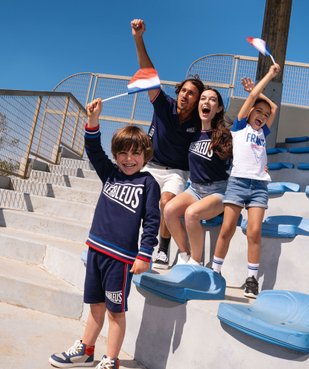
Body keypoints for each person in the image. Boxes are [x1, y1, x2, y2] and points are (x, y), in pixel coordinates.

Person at [49, 98, 160, 369]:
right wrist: (94, 119)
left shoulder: (149, 184)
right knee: (95, 305)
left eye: (135, 153)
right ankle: (86, 350)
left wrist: (144, 254)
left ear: (146, 155)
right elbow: (93, 148)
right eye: (123, 153)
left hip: (120, 261)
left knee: (115, 311)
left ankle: (111, 360)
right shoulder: (110, 174)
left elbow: (152, 222)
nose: (128, 159)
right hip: (96, 251)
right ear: (116, 154)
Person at [131, 18, 205, 269]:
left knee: (166, 203)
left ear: (197, 99)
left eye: (191, 93)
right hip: (151, 165)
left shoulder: (200, 119)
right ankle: (134, 243)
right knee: (136, 201)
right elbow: (149, 74)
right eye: (183, 90)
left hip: (176, 171)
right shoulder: (164, 104)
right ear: (178, 92)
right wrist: (139, 39)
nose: (186, 95)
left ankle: (162, 248)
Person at [211, 63, 281, 299]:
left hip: (259, 186)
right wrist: (269, 76)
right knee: (227, 228)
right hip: (238, 183)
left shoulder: (264, 133)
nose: (262, 115)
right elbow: (252, 98)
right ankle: (215, 272)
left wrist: (262, 97)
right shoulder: (240, 127)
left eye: (265, 115)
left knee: (254, 232)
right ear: (249, 112)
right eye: (257, 111)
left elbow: (274, 106)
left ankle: (251, 279)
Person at [164, 87, 233, 265]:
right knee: (169, 210)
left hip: (218, 191)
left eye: (212, 100)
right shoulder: (192, 134)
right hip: (194, 189)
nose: (206, 102)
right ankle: (184, 253)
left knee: (191, 213)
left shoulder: (225, 135)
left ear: (218, 109)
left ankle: (196, 262)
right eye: (203, 98)